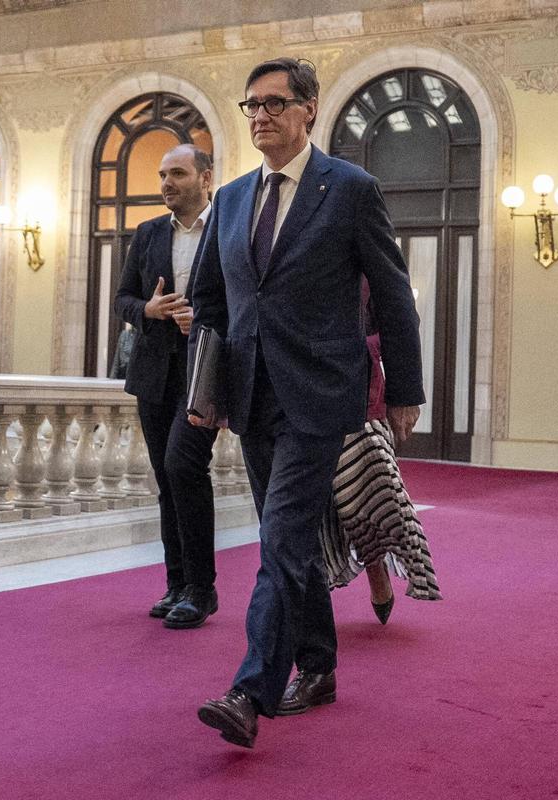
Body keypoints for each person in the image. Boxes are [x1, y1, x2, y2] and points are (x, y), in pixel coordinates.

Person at [189, 57, 424, 748]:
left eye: (274, 103)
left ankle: (251, 689)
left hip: (322, 394)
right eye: (250, 106)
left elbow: (391, 294)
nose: (259, 116)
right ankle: (317, 666)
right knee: (286, 539)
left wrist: (404, 390)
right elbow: (211, 300)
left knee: (282, 536)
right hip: (251, 394)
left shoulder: (349, 189)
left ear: (308, 109)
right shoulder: (230, 199)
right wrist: (206, 390)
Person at [113, 143, 221, 629]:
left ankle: (203, 589)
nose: (166, 183)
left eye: (177, 173)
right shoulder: (148, 233)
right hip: (154, 373)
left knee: (184, 466)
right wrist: (148, 311)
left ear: (205, 178)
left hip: (206, 371)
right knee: (166, 479)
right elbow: (123, 300)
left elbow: (245, 298)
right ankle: (177, 583)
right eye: (161, 175)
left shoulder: (227, 229)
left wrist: (204, 319)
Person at [315, 280, 440, 634]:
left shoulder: (366, 250)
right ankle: (311, 596)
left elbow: (401, 317)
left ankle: (377, 564)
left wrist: (403, 388)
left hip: (363, 397)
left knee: (370, 491)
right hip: (305, 392)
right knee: (323, 501)